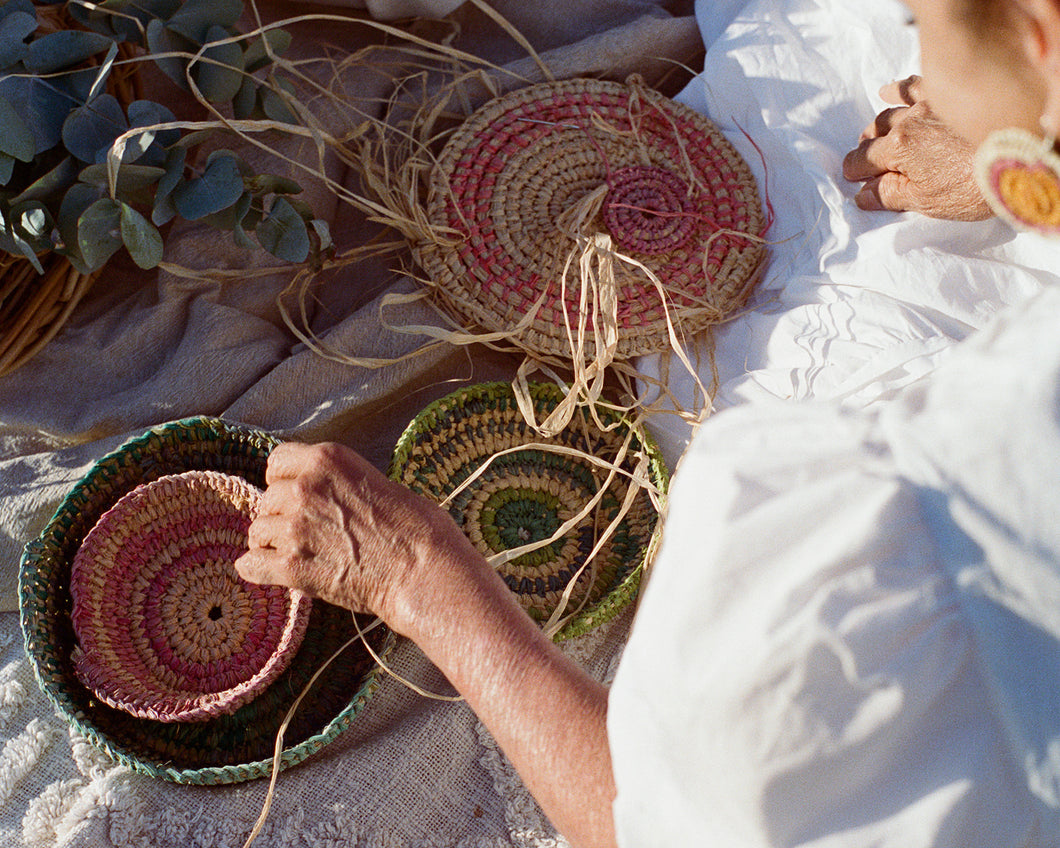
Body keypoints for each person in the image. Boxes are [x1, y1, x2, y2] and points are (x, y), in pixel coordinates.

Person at [236, 0, 1060, 844]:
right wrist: (1024, 152)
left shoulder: (880, 506)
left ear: (1037, 32)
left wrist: (414, 576)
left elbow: (659, 826)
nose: (912, 28)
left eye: (923, 18)